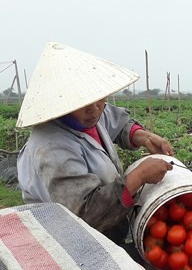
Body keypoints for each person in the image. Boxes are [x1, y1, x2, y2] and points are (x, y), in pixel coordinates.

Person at [16, 42, 174, 243]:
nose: (95, 109)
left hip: (106, 230)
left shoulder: (87, 114)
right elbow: (83, 214)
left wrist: (142, 136)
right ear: (61, 103)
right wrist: (139, 176)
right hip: (69, 240)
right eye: (83, 103)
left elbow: (117, 122)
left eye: (99, 99)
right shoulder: (52, 148)